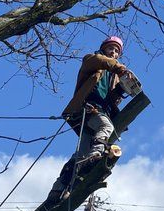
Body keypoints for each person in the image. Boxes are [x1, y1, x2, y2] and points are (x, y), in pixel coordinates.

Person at [49, 35, 133, 200]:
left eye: (117, 51)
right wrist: (121, 68)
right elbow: (101, 61)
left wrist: (123, 88)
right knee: (106, 127)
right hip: (86, 108)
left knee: (80, 154)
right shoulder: (91, 60)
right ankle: (94, 156)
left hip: (100, 110)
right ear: (103, 48)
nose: (114, 53)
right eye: (111, 48)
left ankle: (59, 189)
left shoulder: (114, 76)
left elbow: (111, 98)